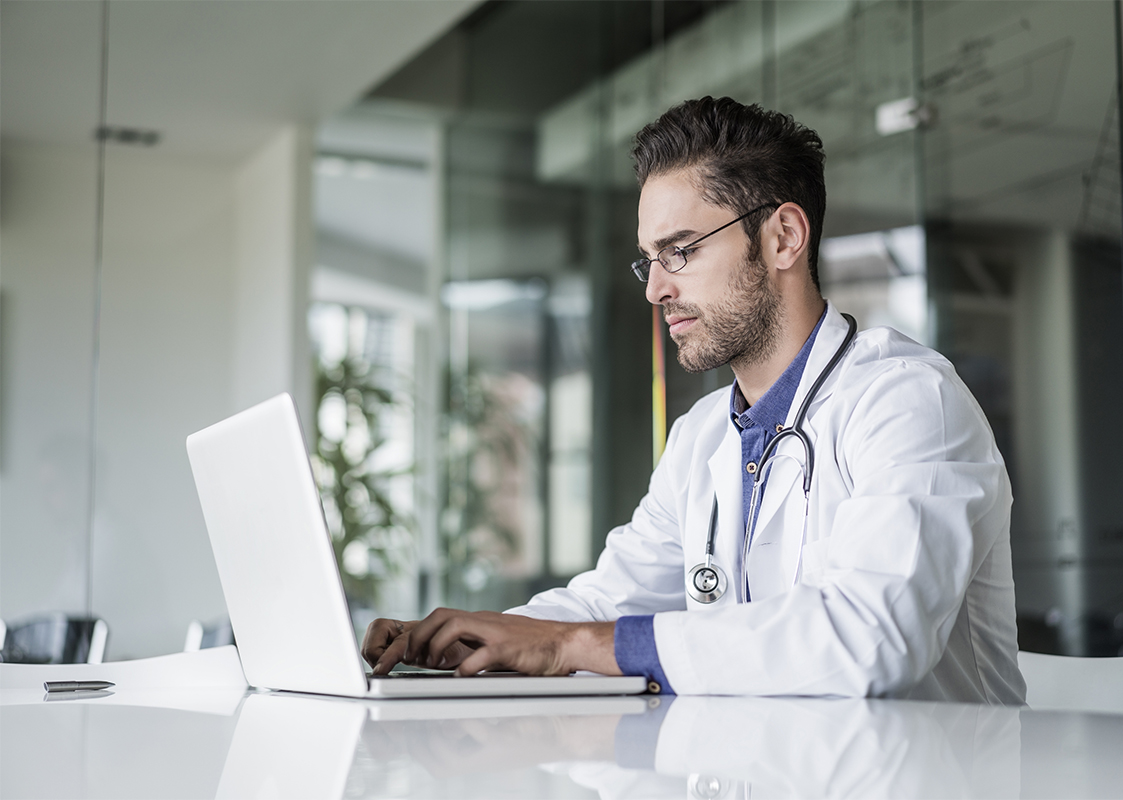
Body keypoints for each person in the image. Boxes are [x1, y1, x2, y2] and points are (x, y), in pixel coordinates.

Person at [362, 96, 1026, 704]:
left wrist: (572, 646)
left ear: (783, 238)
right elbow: (612, 598)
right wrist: (470, 638)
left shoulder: (907, 400)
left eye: (679, 251)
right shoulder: (704, 433)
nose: (654, 290)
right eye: (649, 259)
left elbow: (873, 636)